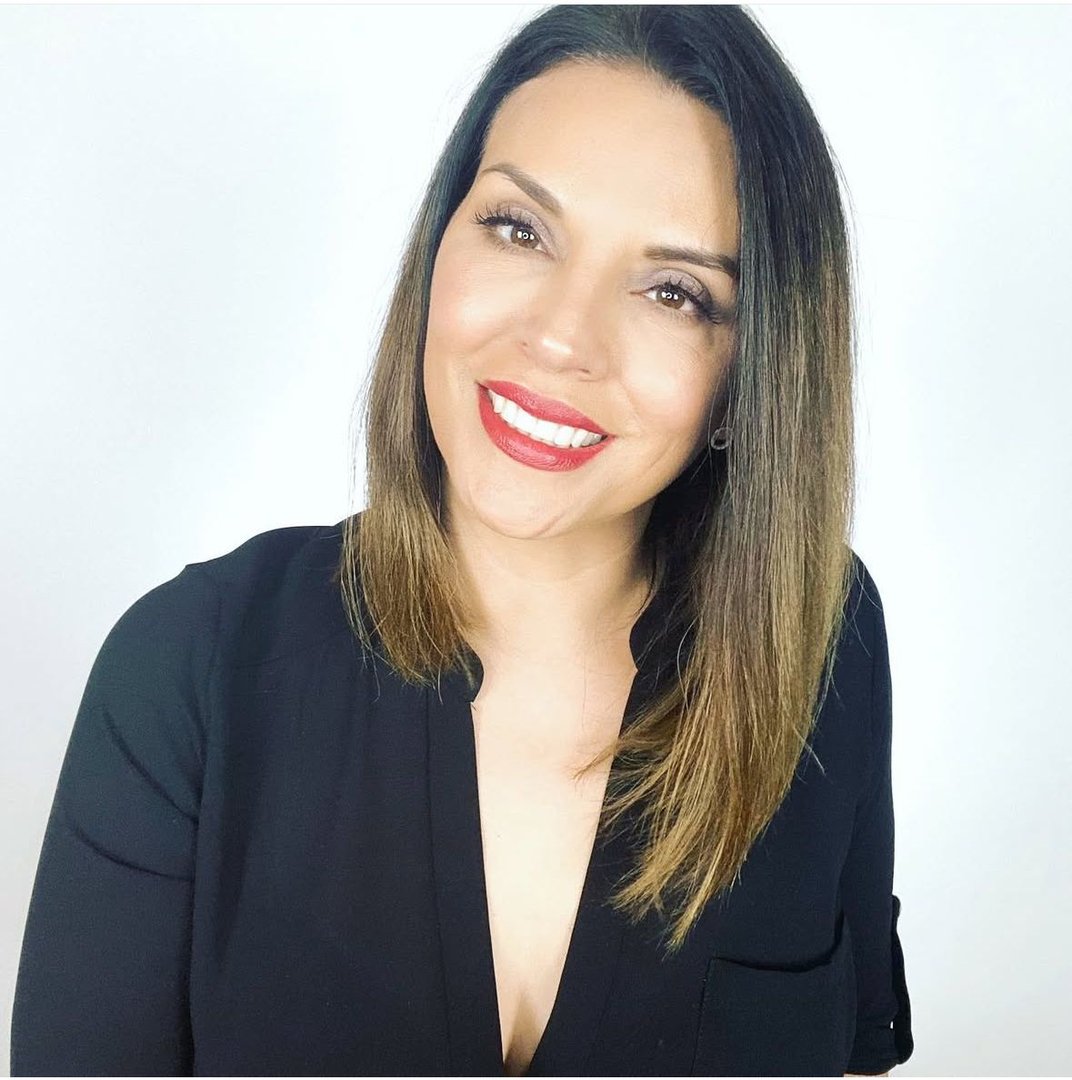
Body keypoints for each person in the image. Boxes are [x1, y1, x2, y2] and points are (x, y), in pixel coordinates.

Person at [11, 5, 914, 1077]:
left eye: (674, 291)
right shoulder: (189, 668)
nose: (561, 338)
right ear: (438, 248)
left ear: (749, 379)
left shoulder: (821, 639)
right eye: (519, 229)